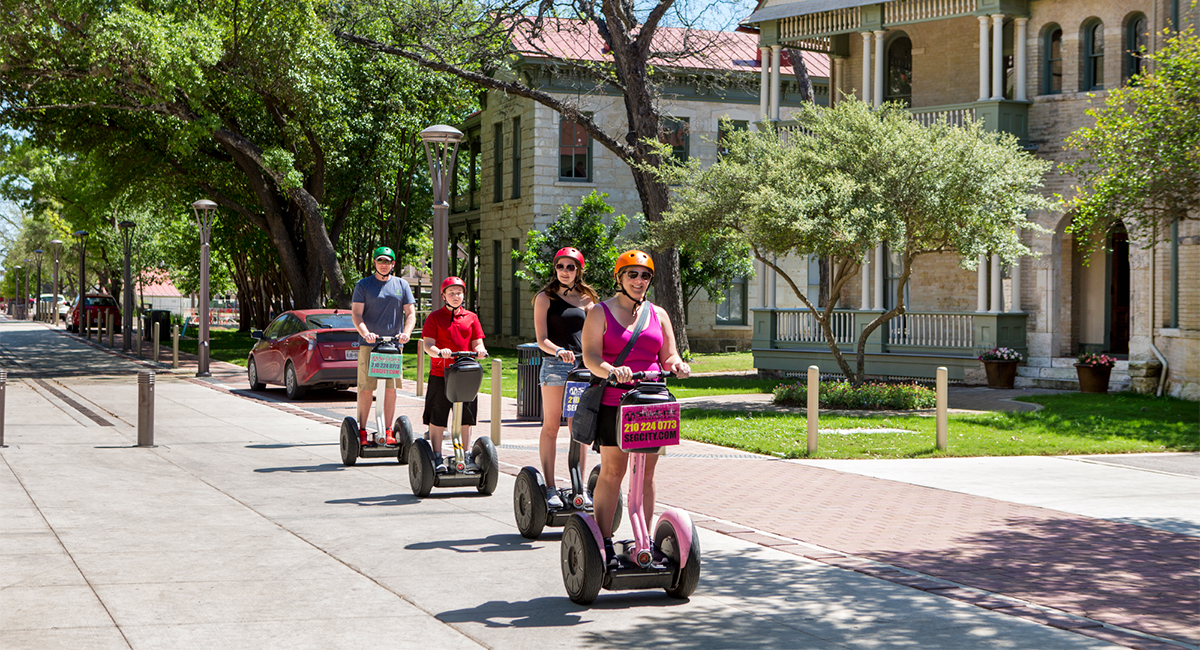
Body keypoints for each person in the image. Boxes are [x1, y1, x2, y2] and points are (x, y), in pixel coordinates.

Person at [581, 250, 690, 566]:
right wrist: (612, 370)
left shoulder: (659, 314)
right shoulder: (600, 313)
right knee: (613, 472)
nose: (639, 281)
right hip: (616, 402)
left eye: (644, 276)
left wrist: (678, 365)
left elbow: (668, 355)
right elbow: (590, 357)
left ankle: (643, 541)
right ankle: (602, 543)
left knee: (647, 475)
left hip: (653, 404)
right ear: (619, 278)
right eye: (632, 274)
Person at [532, 246, 599, 508]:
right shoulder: (545, 297)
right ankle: (549, 487)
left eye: (570, 267)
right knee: (551, 425)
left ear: (578, 271)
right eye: (560, 266)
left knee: (578, 429)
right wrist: (559, 351)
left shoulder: (588, 300)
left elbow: (596, 335)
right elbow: (541, 339)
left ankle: (578, 487)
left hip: (583, 368)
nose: (565, 272)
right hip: (555, 366)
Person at [422, 276, 488, 473]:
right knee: (438, 414)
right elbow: (428, 345)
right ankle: (436, 454)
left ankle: (465, 454)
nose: (456, 296)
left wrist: (481, 351)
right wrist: (439, 352)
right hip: (440, 374)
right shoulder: (434, 318)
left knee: (466, 417)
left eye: (459, 292)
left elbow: (478, 342)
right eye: (451, 293)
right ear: (443, 296)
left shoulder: (471, 317)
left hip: (465, 374)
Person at [351, 246, 416, 447]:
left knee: (390, 389)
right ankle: (361, 430)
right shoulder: (364, 285)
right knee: (366, 389)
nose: (384, 264)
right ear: (375, 263)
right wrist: (365, 333)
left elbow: (411, 314)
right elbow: (356, 315)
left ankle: (388, 430)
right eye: (381, 261)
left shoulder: (401, 285)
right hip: (370, 345)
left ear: (393, 264)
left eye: (388, 261)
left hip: (392, 346)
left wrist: (406, 333)